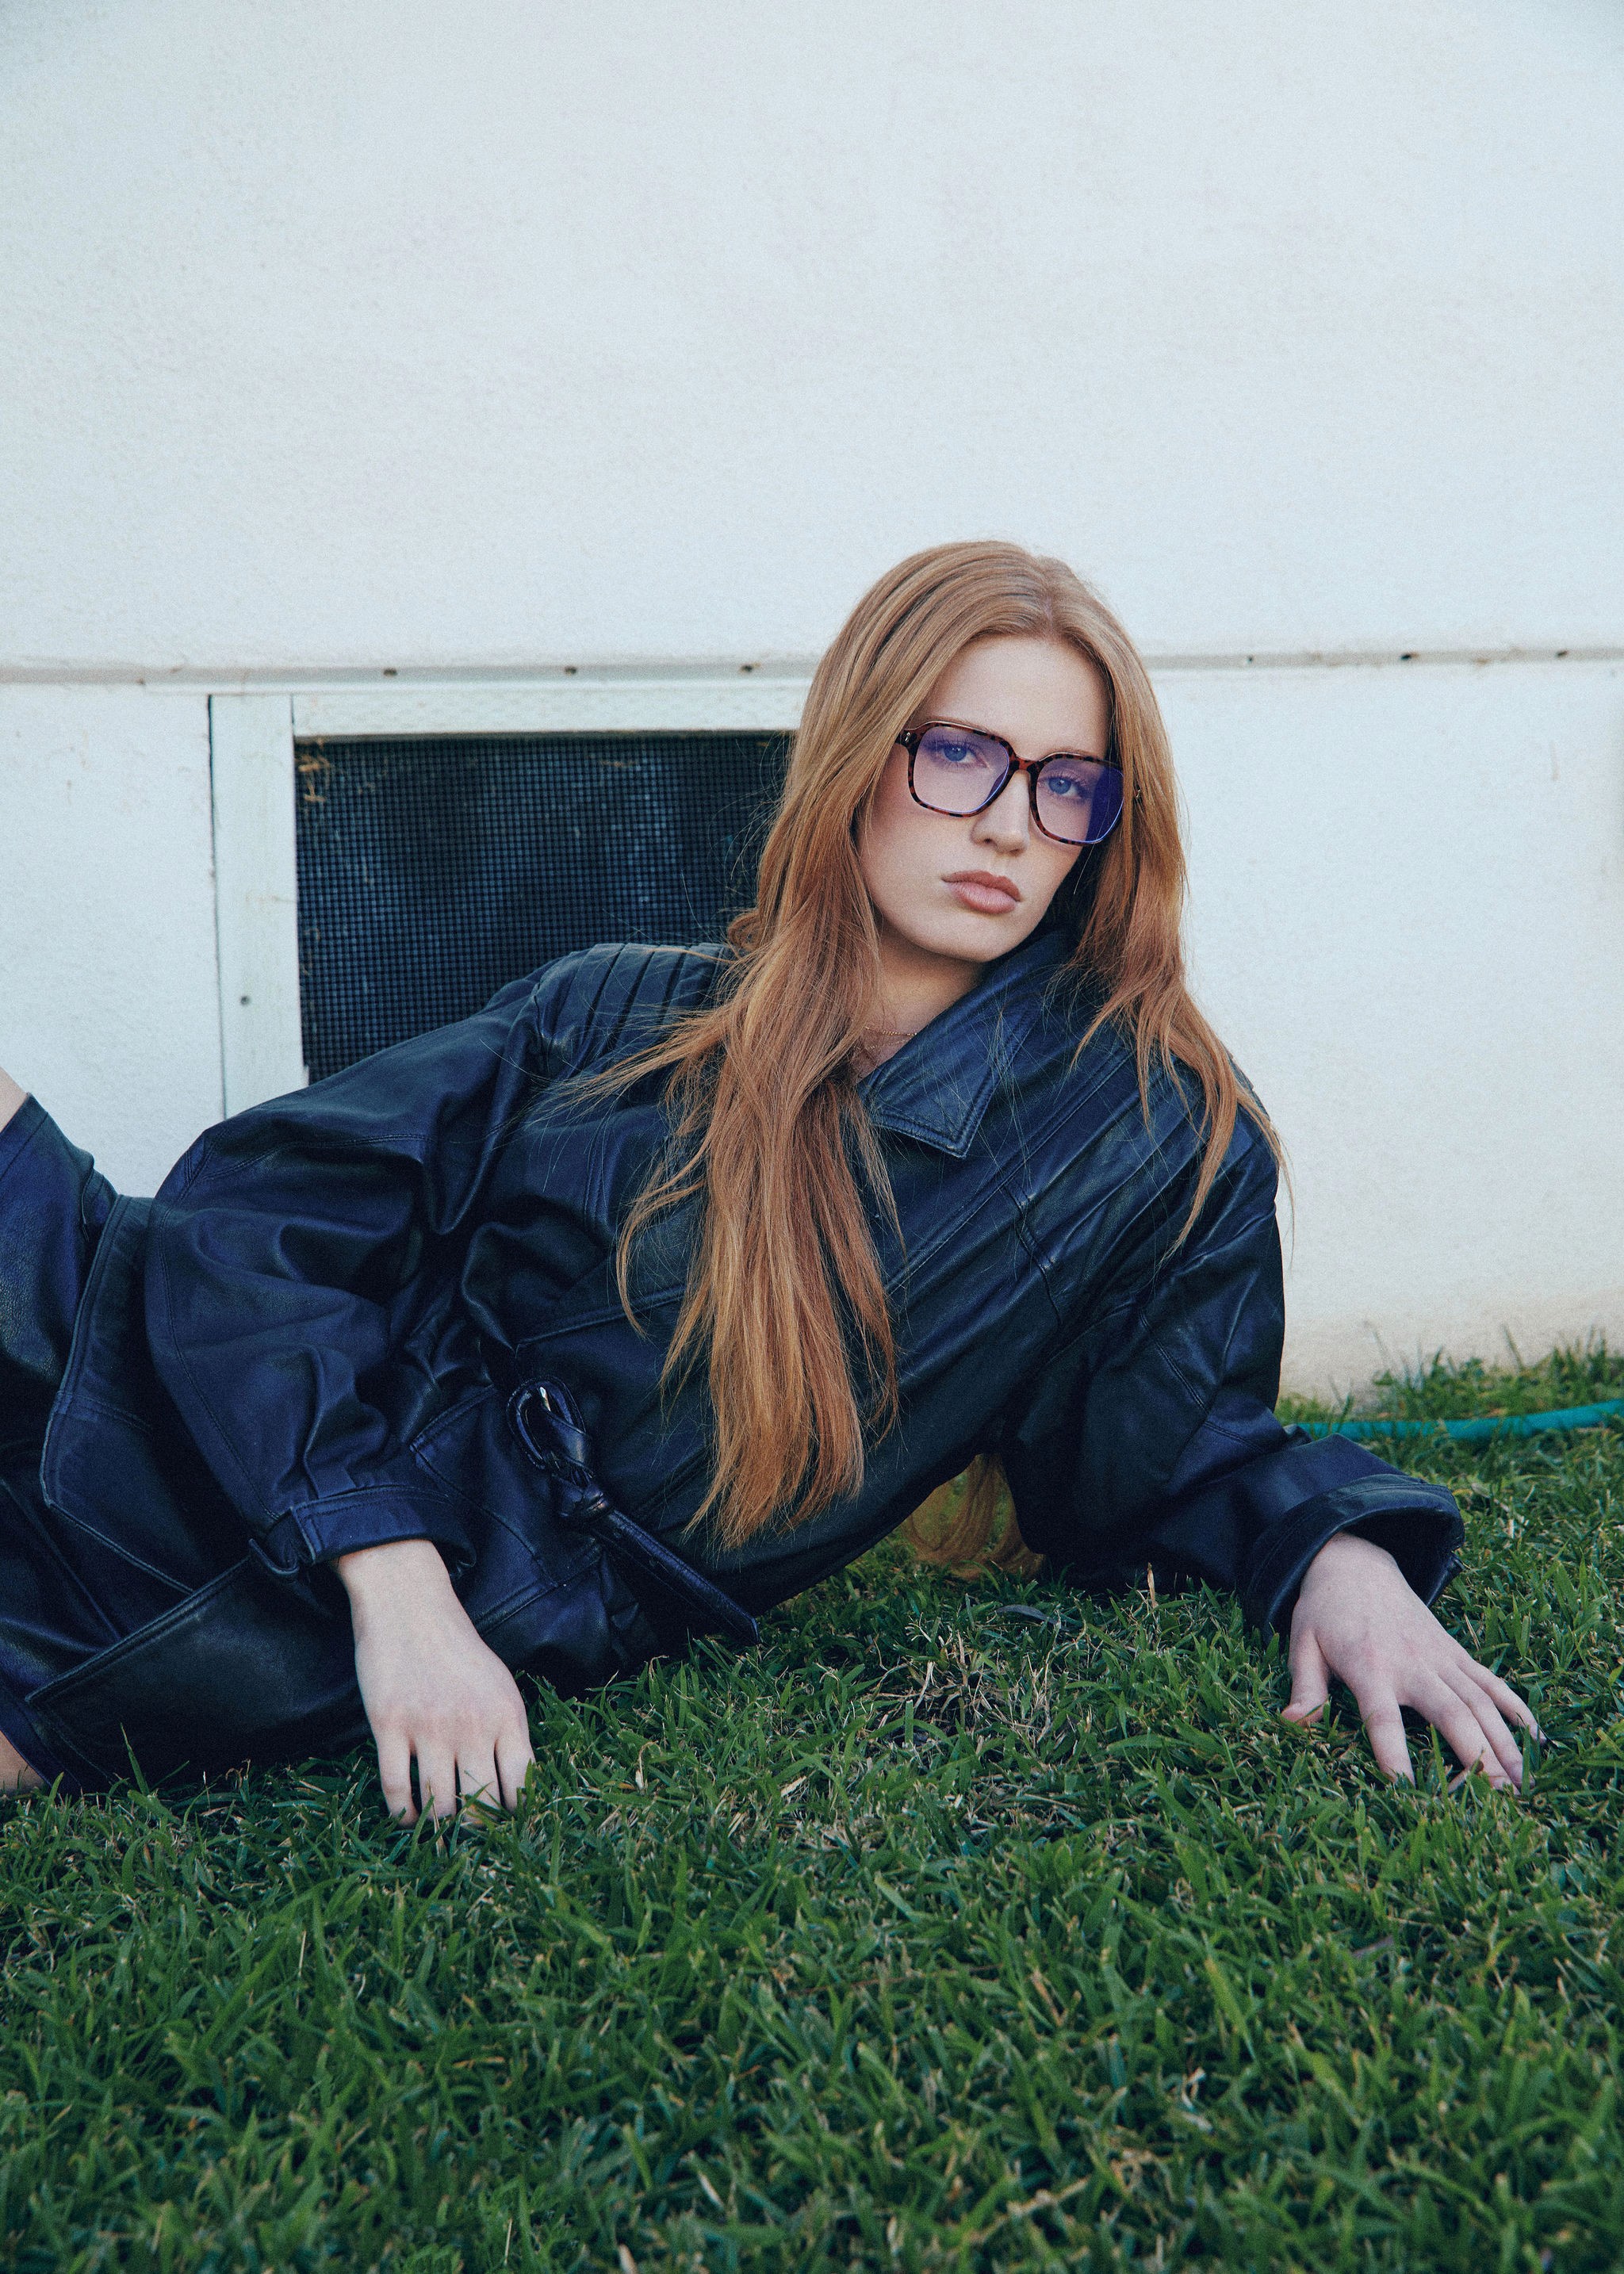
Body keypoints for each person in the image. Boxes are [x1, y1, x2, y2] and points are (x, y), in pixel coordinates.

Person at [0, 542, 1537, 1820]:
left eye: (1070, 784)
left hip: (321, 1590)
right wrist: (390, 1577)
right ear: (857, 763)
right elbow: (258, 1213)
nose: (1010, 819)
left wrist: (1340, 1562)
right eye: (960, 756)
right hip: (247, 1419)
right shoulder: (617, 1008)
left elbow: (1178, 1449)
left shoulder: (1142, 1139)